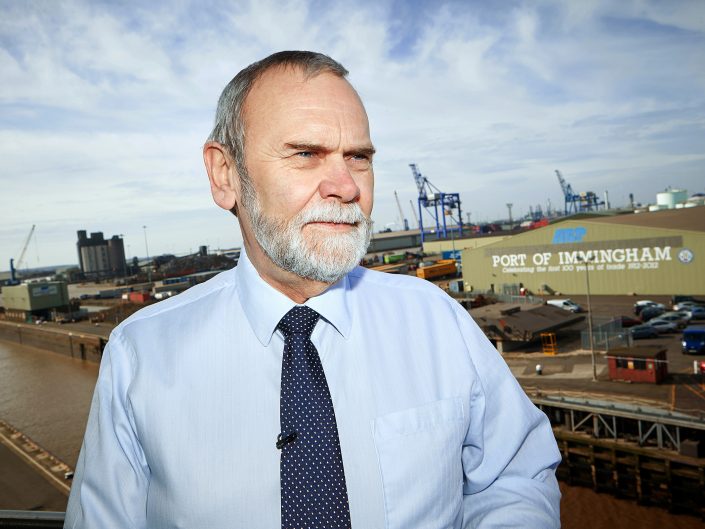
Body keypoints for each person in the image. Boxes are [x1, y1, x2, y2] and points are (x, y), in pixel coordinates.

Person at [65, 51, 561, 528]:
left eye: (359, 157)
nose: (346, 186)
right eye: (306, 153)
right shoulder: (141, 356)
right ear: (225, 175)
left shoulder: (437, 319)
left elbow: (515, 473)